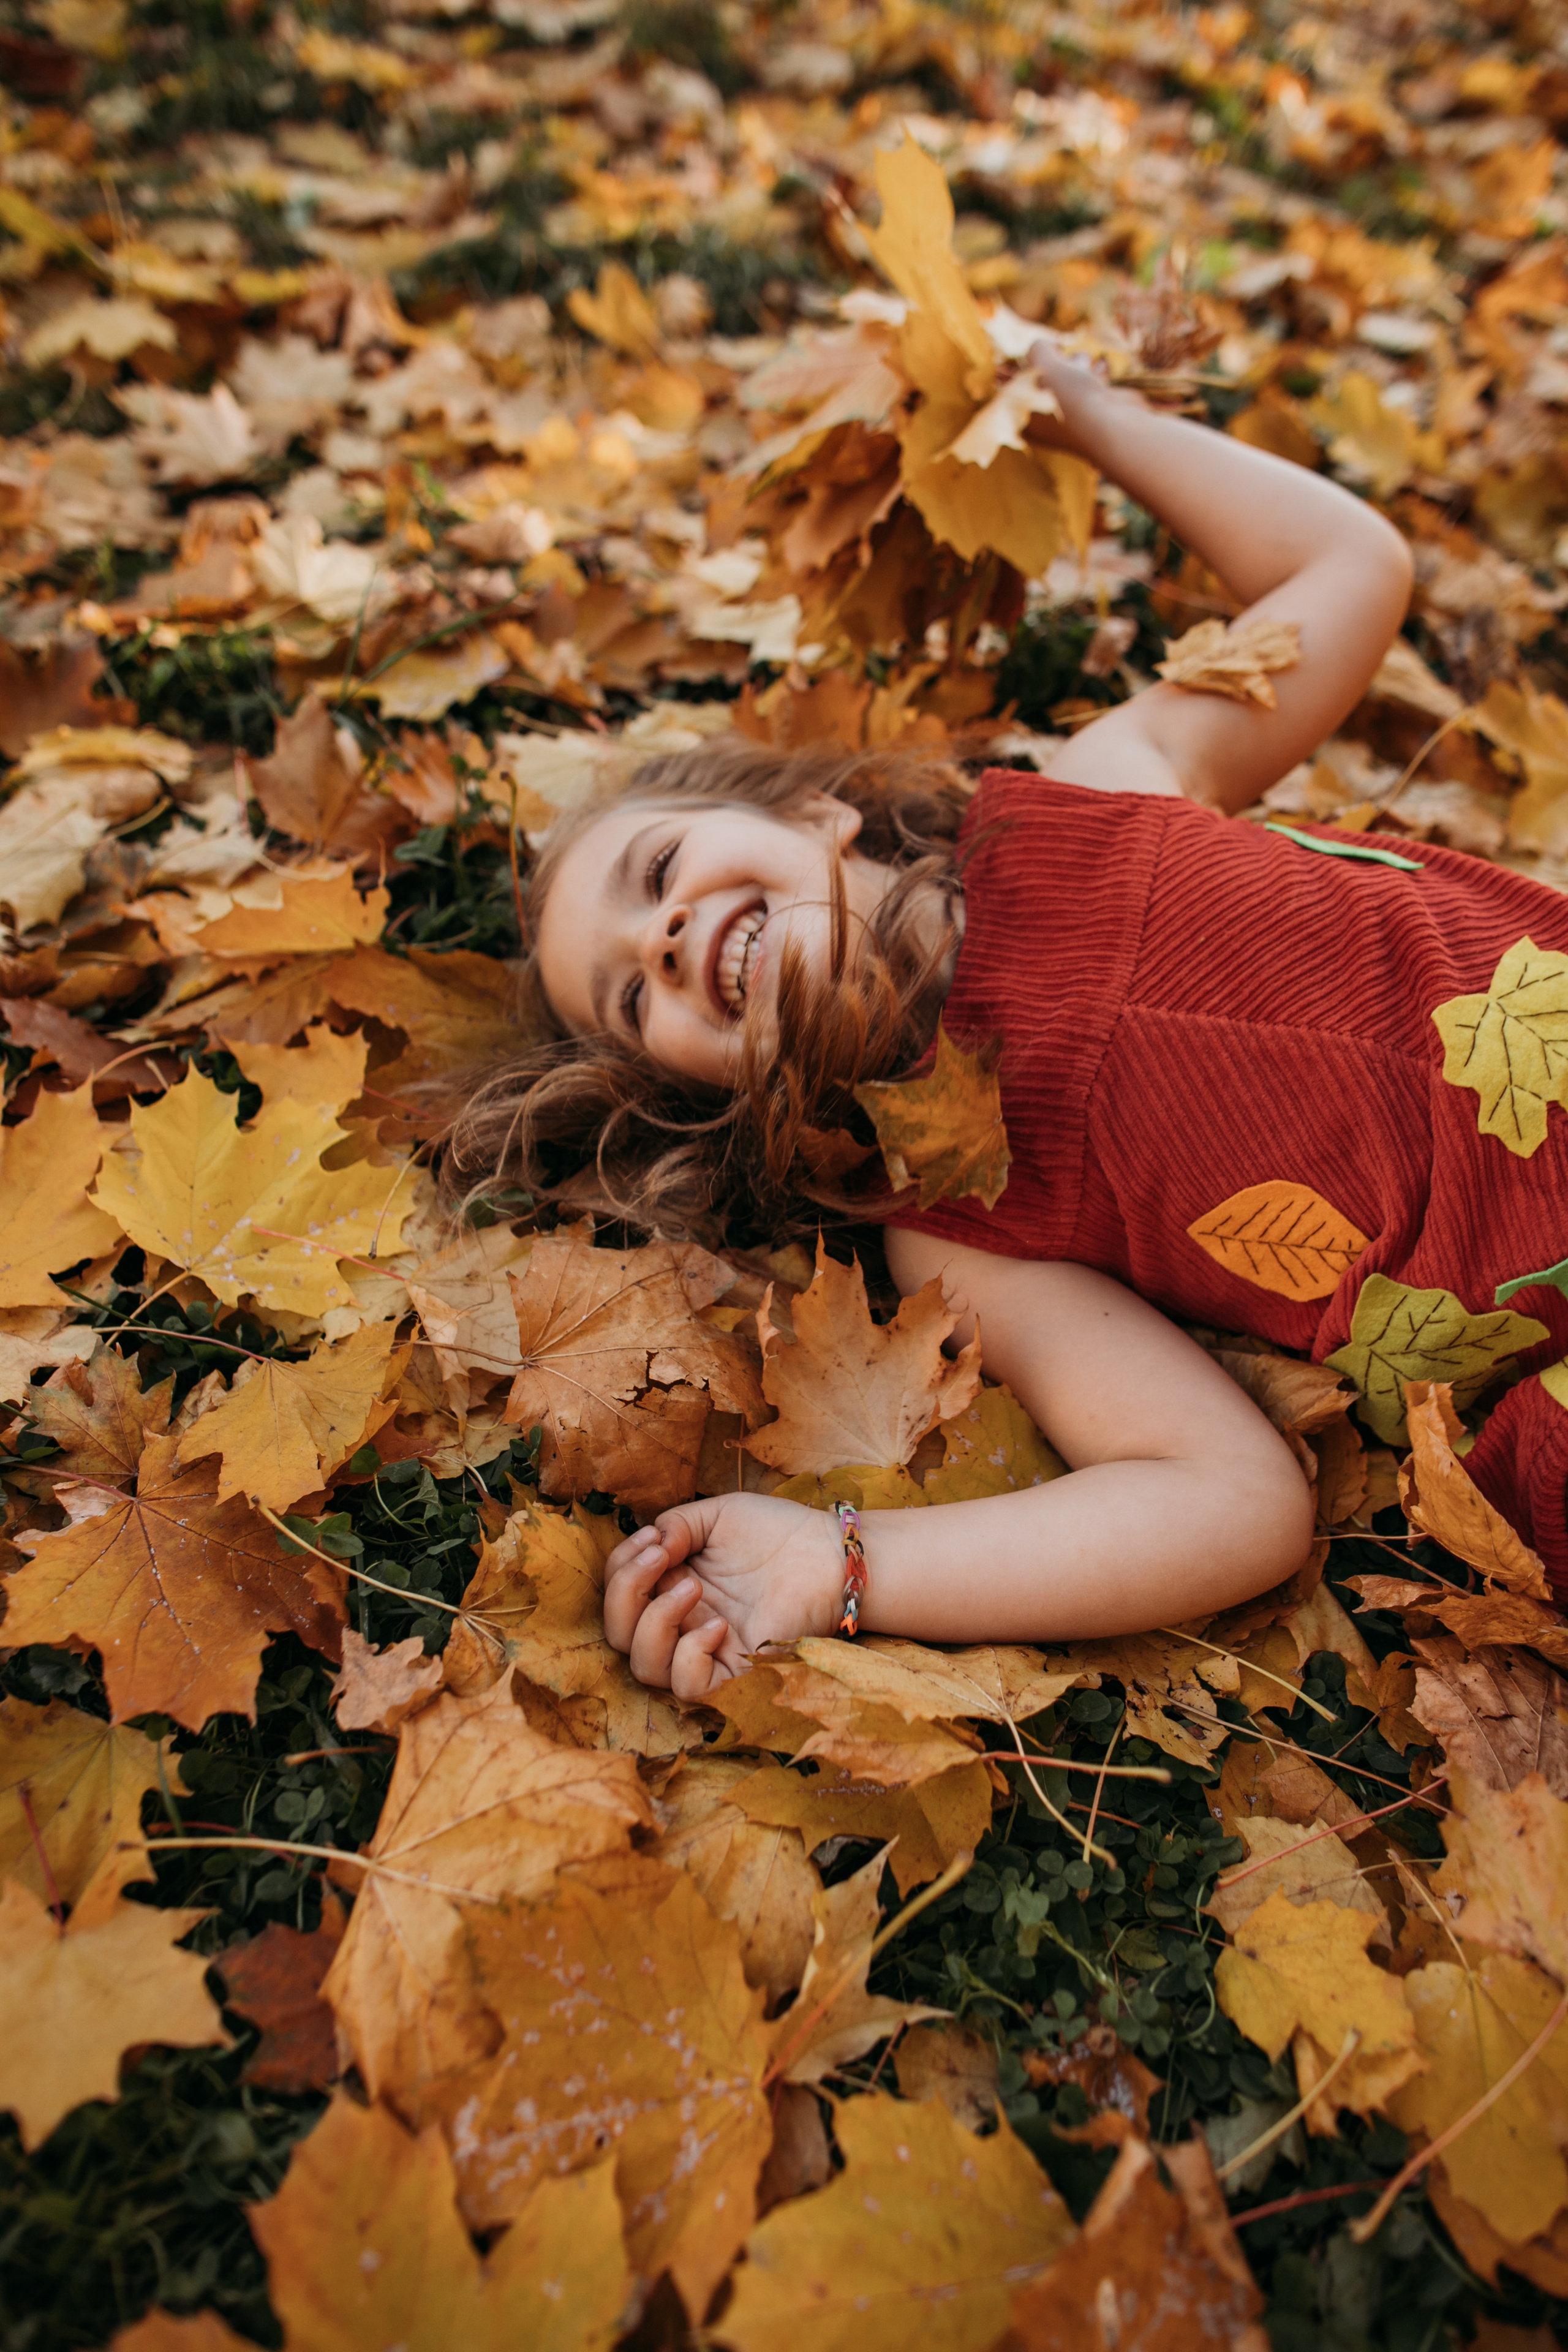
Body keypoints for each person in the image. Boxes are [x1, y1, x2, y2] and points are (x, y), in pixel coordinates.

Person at [448, 342, 1568, 1697]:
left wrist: (1095, 419)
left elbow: (1346, 571)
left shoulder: (1097, 788)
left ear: (815, 812)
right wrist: (837, 1563)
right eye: (632, 996)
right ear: (703, 1095)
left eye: (659, 871)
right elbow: (1227, 1499)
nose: (665, 936)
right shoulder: (953, 1222)